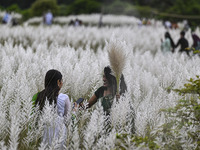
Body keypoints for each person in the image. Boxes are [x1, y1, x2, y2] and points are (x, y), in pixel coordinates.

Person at [32, 69, 71, 146]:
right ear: (58, 82)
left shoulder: (37, 96)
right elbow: (68, 120)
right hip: (60, 136)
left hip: (42, 136)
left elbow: (33, 118)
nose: (62, 83)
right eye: (61, 81)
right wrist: (74, 110)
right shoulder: (64, 97)